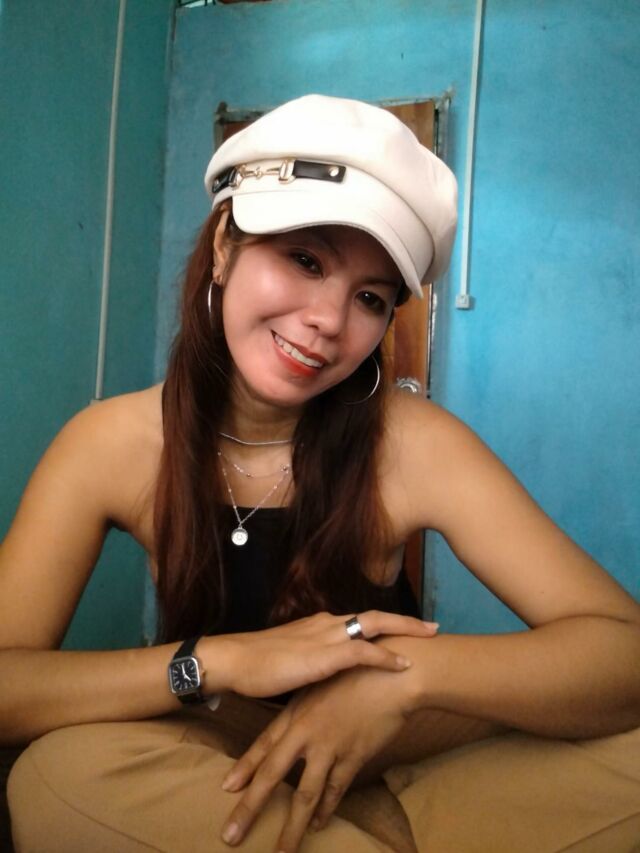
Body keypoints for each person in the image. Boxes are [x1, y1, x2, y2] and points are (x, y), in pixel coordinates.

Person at [2, 94, 640, 853]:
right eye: (305, 260)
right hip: (228, 760)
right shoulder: (110, 443)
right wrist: (215, 662)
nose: (330, 322)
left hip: (402, 758)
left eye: (369, 298)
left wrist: (408, 678)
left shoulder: (412, 442)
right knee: (55, 775)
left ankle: (360, 829)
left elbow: (621, 652)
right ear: (224, 246)